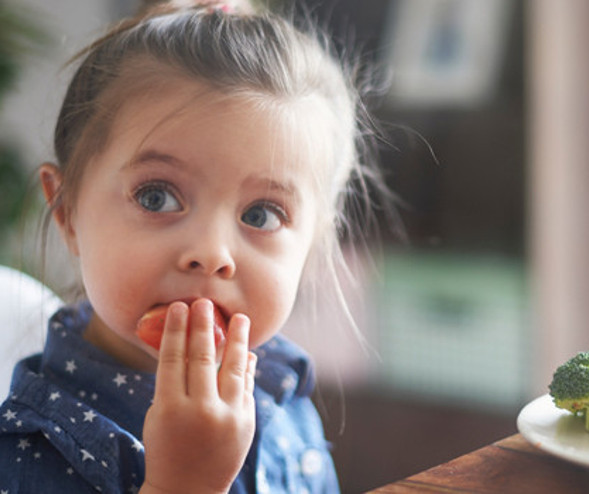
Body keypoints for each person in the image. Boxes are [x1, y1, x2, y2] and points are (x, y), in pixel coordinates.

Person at [0, 0, 381, 492]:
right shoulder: (30, 451)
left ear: (312, 243)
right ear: (67, 211)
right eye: (156, 197)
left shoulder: (284, 390)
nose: (211, 252)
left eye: (260, 214)